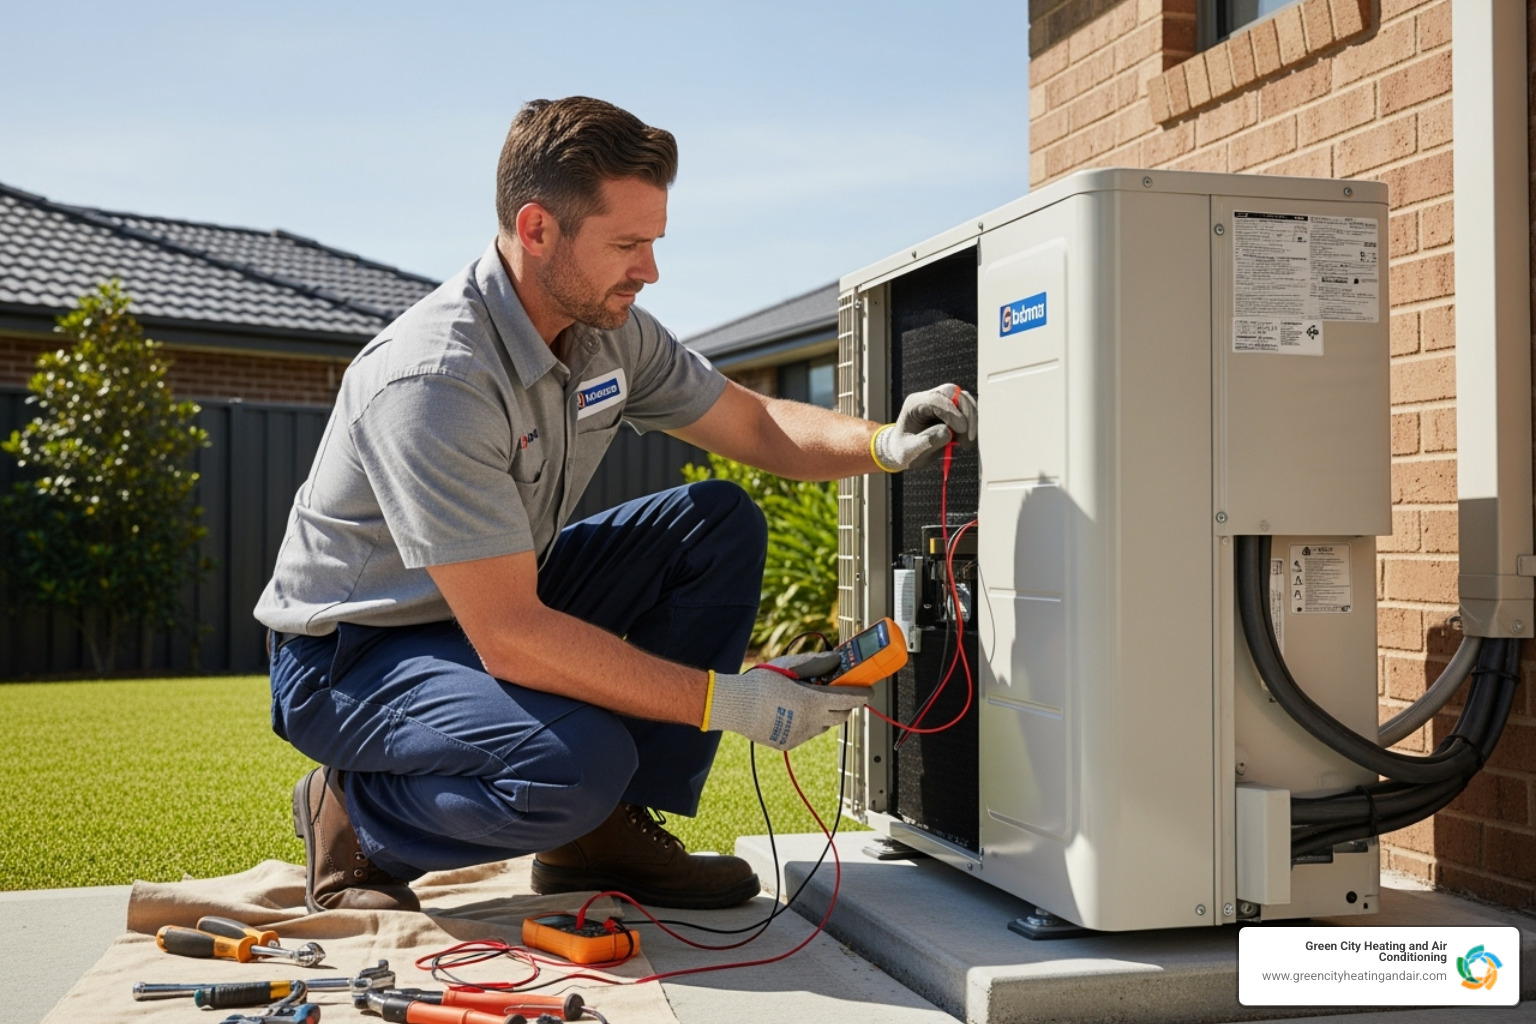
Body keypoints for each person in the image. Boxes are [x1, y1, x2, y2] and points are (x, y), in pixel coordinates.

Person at [256, 96, 978, 914]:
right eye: (628, 245)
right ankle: (354, 816)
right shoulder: (436, 379)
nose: (650, 270)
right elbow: (511, 636)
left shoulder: (608, 332)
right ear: (537, 229)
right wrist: (732, 702)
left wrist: (884, 441)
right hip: (353, 655)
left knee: (715, 525)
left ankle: (601, 838)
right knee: (574, 766)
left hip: (493, 596)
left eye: (655, 242)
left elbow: (754, 421)